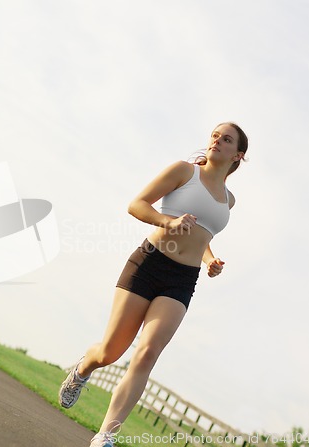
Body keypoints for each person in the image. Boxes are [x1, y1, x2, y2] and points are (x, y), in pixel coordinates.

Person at [58, 122, 249, 447]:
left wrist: (210, 261)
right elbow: (137, 204)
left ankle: (105, 435)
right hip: (149, 263)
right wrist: (167, 221)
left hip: (182, 280)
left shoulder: (228, 201)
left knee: (147, 353)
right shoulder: (184, 171)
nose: (217, 141)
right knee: (110, 351)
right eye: (215, 135)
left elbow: (201, 236)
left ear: (237, 155)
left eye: (226, 139)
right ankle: (83, 369)